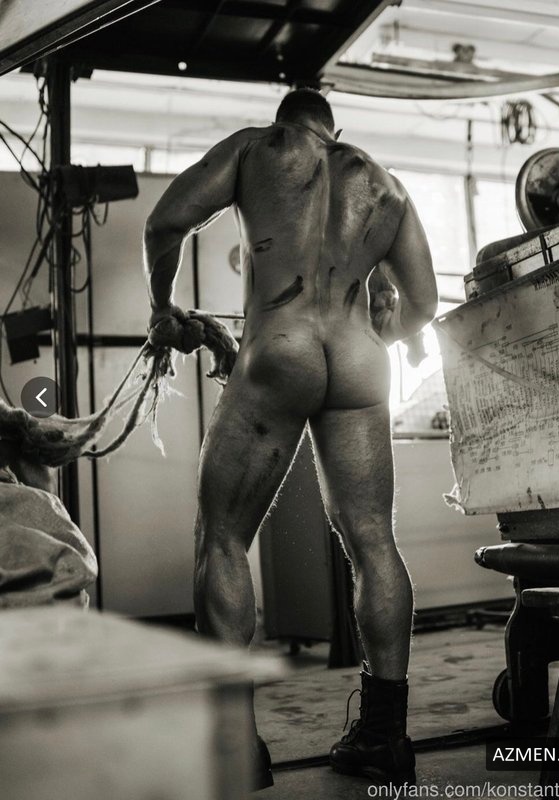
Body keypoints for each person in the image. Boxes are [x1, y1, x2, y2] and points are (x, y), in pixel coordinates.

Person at [143, 88, 437, 789]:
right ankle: (385, 738)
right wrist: (381, 332)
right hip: (360, 359)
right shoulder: (386, 186)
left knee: (222, 538)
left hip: (281, 346)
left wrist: (163, 307)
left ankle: (237, 746)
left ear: (287, 119)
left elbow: (165, 221)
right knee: (373, 540)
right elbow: (423, 304)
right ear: (337, 129)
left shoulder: (257, 148)